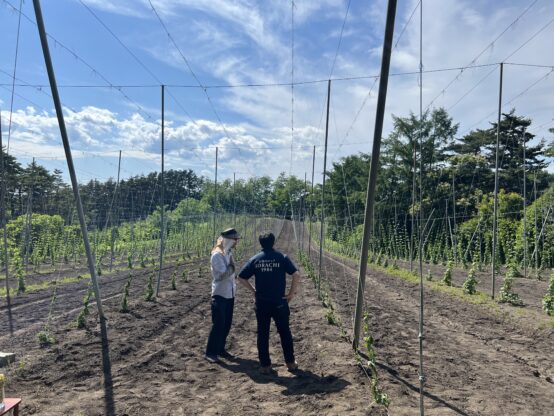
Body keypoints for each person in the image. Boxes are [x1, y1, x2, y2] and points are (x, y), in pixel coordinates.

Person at [238, 231, 301, 374]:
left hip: (262, 303)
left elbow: (241, 277)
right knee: (285, 332)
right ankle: (290, 363)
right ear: (273, 242)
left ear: (261, 243)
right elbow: (296, 274)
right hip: (279, 302)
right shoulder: (282, 257)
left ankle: (265, 366)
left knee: (263, 333)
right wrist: (291, 293)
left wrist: (254, 291)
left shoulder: (256, 259)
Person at [205, 228, 241, 363]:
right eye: (235, 239)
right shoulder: (217, 255)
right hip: (220, 294)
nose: (236, 242)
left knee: (226, 324)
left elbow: (231, 272)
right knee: (218, 324)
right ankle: (210, 352)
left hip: (230, 293)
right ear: (229, 240)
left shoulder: (227, 253)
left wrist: (232, 269)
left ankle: (220, 349)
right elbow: (222, 275)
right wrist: (232, 268)